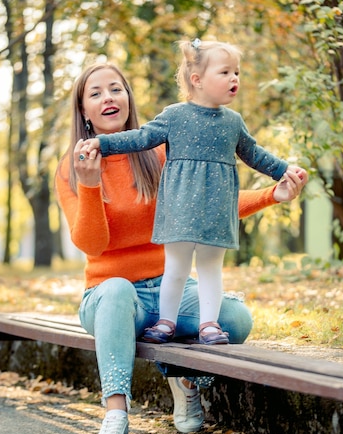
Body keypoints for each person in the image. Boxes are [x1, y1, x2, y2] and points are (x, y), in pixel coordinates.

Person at [55, 61, 308, 434]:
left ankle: (182, 378)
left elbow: (205, 207)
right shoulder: (72, 167)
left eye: (116, 89)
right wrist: (89, 187)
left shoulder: (157, 152)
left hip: (167, 289)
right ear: (83, 110)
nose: (108, 98)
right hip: (110, 297)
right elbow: (93, 245)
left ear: (128, 98)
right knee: (118, 290)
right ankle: (116, 415)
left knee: (234, 319)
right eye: (96, 93)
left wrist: (269, 195)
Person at [83, 39, 305, 348]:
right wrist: (103, 144)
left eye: (237, 73)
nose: (234, 79)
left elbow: (254, 154)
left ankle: (209, 324)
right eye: (225, 72)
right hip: (178, 212)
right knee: (175, 268)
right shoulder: (174, 116)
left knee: (210, 270)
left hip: (216, 214)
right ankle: (166, 321)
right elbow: (141, 137)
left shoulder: (233, 122)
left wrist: (284, 171)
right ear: (197, 80)